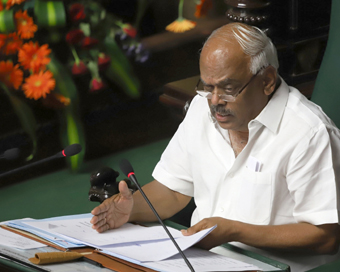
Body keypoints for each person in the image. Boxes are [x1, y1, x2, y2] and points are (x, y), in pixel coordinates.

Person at [91, 22, 340, 271]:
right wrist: (131, 209)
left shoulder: (309, 134)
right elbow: (174, 191)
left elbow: (326, 236)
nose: (215, 101)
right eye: (208, 87)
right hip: (199, 261)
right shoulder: (201, 108)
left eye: (228, 88)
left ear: (267, 80)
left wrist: (234, 231)